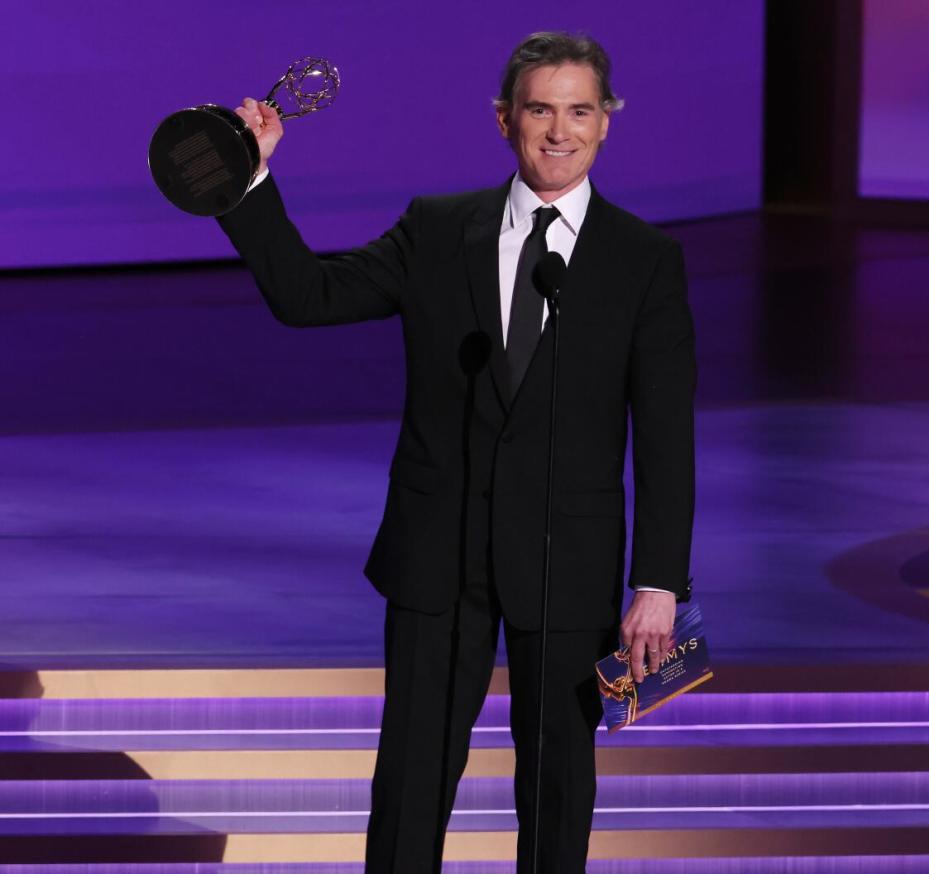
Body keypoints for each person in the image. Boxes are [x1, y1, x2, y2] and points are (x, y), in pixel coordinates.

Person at [217, 31, 695, 873]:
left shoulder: (643, 260)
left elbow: (665, 430)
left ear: (605, 124)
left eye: (578, 111)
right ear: (504, 119)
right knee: (411, 781)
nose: (558, 130)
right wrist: (250, 177)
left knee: (556, 788)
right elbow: (307, 295)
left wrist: (658, 583)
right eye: (539, 109)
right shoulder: (437, 230)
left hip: (565, 560)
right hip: (439, 557)